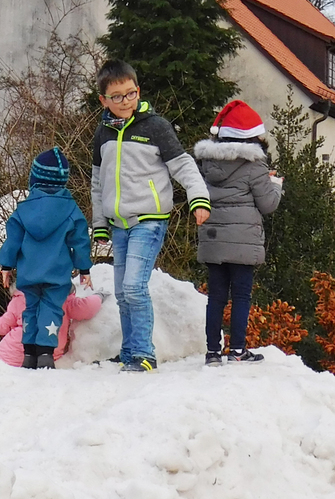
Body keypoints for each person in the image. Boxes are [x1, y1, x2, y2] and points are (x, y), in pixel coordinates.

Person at [89, 60, 212, 372]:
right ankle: (129, 351)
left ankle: (145, 353)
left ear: (138, 91)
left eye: (130, 94)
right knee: (121, 292)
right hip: (119, 224)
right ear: (103, 100)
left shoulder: (155, 127)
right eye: (116, 97)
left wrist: (199, 198)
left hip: (149, 219)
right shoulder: (102, 133)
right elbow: (97, 182)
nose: (125, 102)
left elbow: (184, 166)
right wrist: (100, 224)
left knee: (133, 287)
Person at [193, 100, 284, 366]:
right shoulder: (254, 165)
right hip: (243, 242)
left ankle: (212, 352)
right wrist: (274, 183)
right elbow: (268, 204)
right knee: (241, 296)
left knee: (216, 296)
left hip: (212, 238)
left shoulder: (206, 163)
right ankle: (238, 350)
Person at [0, 146, 94, 368]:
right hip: (57, 274)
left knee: (29, 308)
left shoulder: (22, 210)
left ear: (35, 179)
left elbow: (13, 240)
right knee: (51, 309)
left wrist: (6, 266)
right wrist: (84, 269)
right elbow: (79, 241)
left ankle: (29, 353)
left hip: (29, 272)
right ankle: (45, 355)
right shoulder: (71, 210)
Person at [0, 281, 103, 367]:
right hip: (48, 355)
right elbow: (86, 307)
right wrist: (99, 297)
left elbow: (2, 326)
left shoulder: (21, 298)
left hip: (10, 354)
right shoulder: (63, 299)